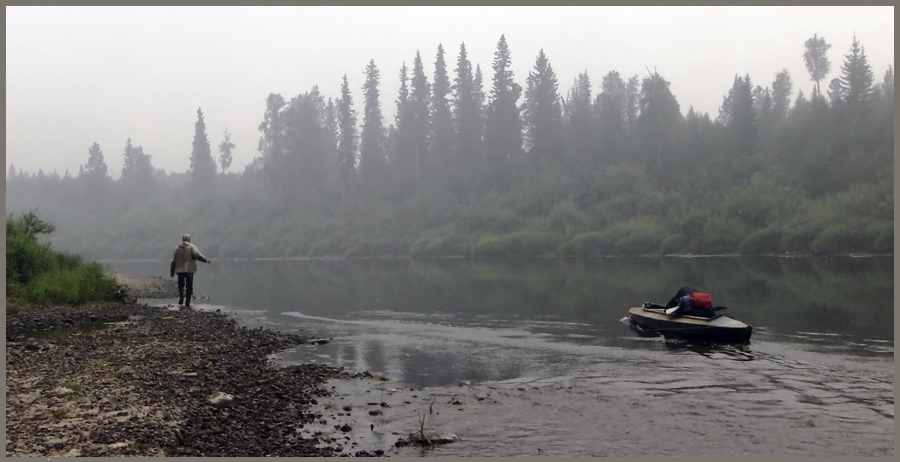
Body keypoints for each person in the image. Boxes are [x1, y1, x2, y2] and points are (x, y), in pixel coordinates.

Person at [170, 233, 211, 307]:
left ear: (183, 239)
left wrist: (172, 271)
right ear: (189, 239)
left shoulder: (177, 248)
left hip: (179, 270)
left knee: (181, 285)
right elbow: (197, 255)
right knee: (189, 286)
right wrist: (205, 260)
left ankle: (181, 297)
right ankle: (187, 302)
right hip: (189, 269)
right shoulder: (192, 247)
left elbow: (173, 261)